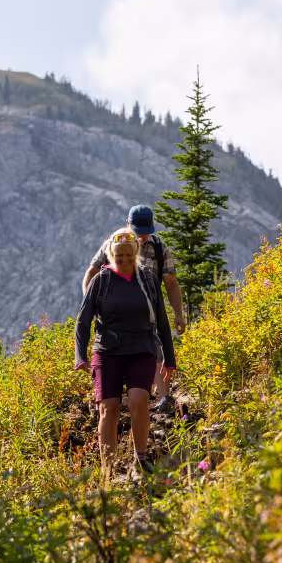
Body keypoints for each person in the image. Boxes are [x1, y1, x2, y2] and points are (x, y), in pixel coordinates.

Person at [74, 227, 177, 483]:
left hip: (141, 349)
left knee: (139, 399)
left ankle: (140, 459)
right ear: (111, 255)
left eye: (128, 256)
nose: (123, 260)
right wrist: (80, 356)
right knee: (108, 409)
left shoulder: (148, 280)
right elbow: (83, 321)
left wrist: (169, 358)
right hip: (107, 352)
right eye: (118, 256)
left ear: (136, 253)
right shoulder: (102, 281)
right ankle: (107, 470)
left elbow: (162, 321)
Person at [82, 205, 185, 410]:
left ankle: (163, 399)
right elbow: (91, 274)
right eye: (139, 232)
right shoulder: (113, 244)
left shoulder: (158, 247)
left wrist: (178, 314)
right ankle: (116, 398)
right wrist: (91, 304)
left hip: (148, 310)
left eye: (147, 233)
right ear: (128, 226)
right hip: (115, 315)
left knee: (156, 349)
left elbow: (171, 283)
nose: (143, 237)